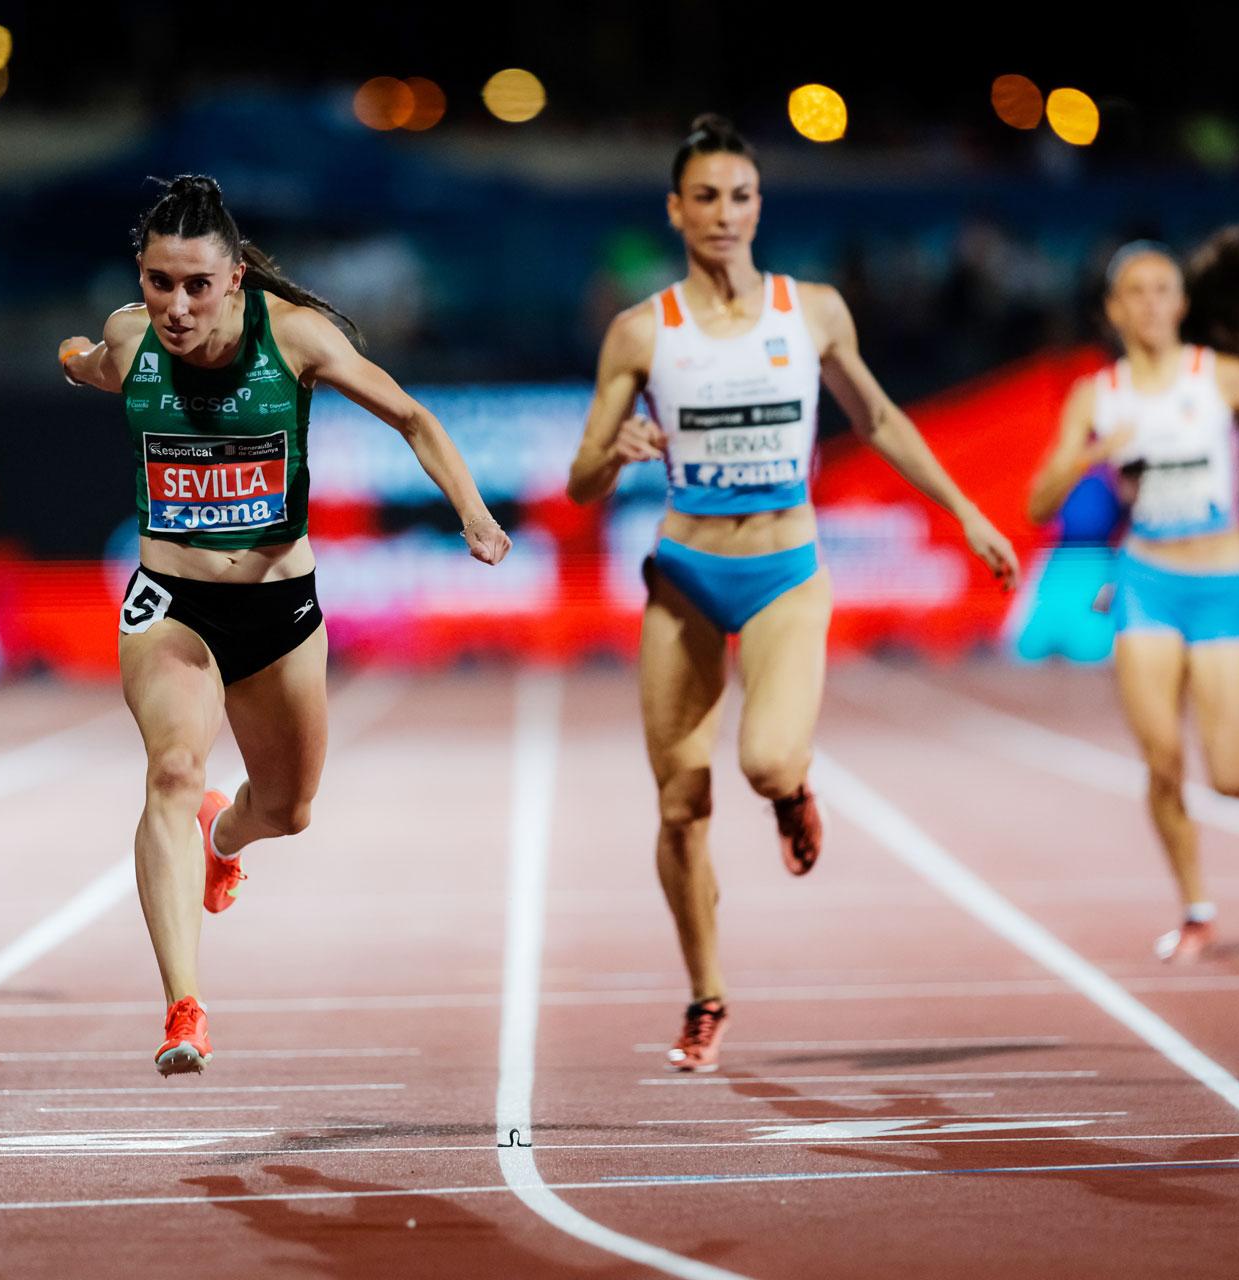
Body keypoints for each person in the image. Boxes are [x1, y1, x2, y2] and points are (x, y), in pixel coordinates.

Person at [567, 116, 1019, 1073]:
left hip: (784, 572)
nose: (724, 214)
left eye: (740, 196)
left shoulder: (809, 311)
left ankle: (792, 792)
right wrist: (616, 449)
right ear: (676, 210)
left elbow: (882, 418)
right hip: (685, 576)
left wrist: (967, 513)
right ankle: (706, 995)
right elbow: (579, 481)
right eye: (705, 198)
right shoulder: (642, 331)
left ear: (758, 205)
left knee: (768, 762)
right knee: (681, 802)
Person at [58, 175, 511, 1076]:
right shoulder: (133, 336)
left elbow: (412, 416)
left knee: (292, 809)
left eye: (196, 285)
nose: (176, 306)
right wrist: (70, 356)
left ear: (234, 280)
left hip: (278, 607)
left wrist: (472, 512)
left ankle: (226, 841)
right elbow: (96, 365)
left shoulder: (293, 337)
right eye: (158, 282)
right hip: (170, 604)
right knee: (172, 771)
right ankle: (184, 1007)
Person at [1028, 226, 1239, 961]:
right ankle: (1196, 906)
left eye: (1164, 290)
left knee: (1231, 779)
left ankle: (1217, 721)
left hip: (1220, 589)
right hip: (1144, 586)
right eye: (1138, 293)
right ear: (1115, 311)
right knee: (1161, 758)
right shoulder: (1096, 395)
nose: (1153, 304)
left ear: (1181, 302)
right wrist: (1089, 452)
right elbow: (1038, 502)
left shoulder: (1218, 376)